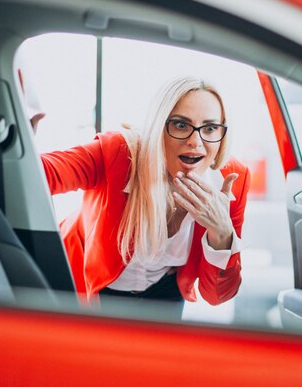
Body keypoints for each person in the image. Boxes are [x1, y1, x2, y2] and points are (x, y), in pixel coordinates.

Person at [40, 77, 251, 318]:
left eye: (210, 128)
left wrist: (222, 232)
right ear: (158, 126)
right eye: (181, 125)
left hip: (165, 292)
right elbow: (37, 173)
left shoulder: (232, 178)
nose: (196, 141)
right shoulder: (115, 153)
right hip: (89, 287)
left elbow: (218, 295)